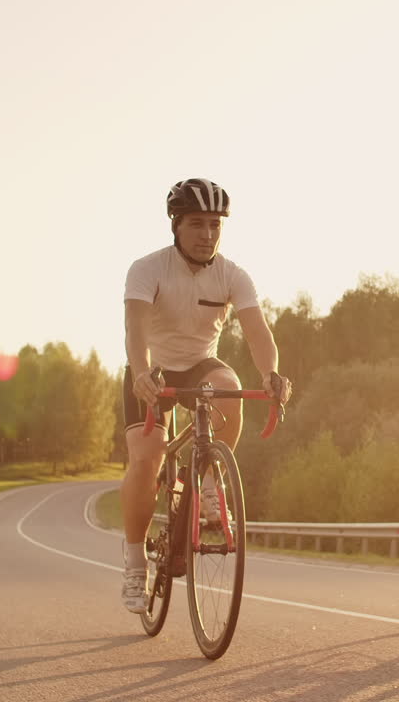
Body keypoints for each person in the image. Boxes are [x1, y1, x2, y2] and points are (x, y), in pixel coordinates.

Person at [120, 177, 291, 613]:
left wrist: (271, 374)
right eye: (197, 224)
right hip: (153, 369)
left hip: (199, 366)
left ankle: (210, 481)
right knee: (147, 456)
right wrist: (140, 374)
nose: (207, 234)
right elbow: (134, 329)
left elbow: (258, 333)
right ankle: (135, 563)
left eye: (215, 224)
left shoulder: (233, 275)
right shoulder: (147, 269)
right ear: (176, 225)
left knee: (229, 387)